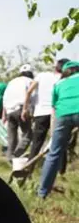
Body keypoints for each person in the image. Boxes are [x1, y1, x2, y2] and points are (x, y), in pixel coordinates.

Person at [37, 60, 79, 199]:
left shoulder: (58, 84)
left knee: (54, 153)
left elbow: (54, 108)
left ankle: (42, 193)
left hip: (62, 116)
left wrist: (54, 133)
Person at [24, 58, 68, 159]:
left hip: (41, 112)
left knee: (37, 142)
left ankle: (29, 169)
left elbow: (29, 91)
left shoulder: (41, 75)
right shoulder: (64, 79)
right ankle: (61, 169)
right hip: (57, 113)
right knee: (60, 141)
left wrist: (25, 109)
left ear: (55, 67)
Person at [2, 65, 35, 160]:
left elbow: (5, 98)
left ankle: (9, 157)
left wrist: (4, 115)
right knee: (27, 135)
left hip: (9, 111)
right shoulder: (30, 81)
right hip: (21, 109)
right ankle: (16, 156)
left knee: (12, 137)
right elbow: (32, 97)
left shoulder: (12, 82)